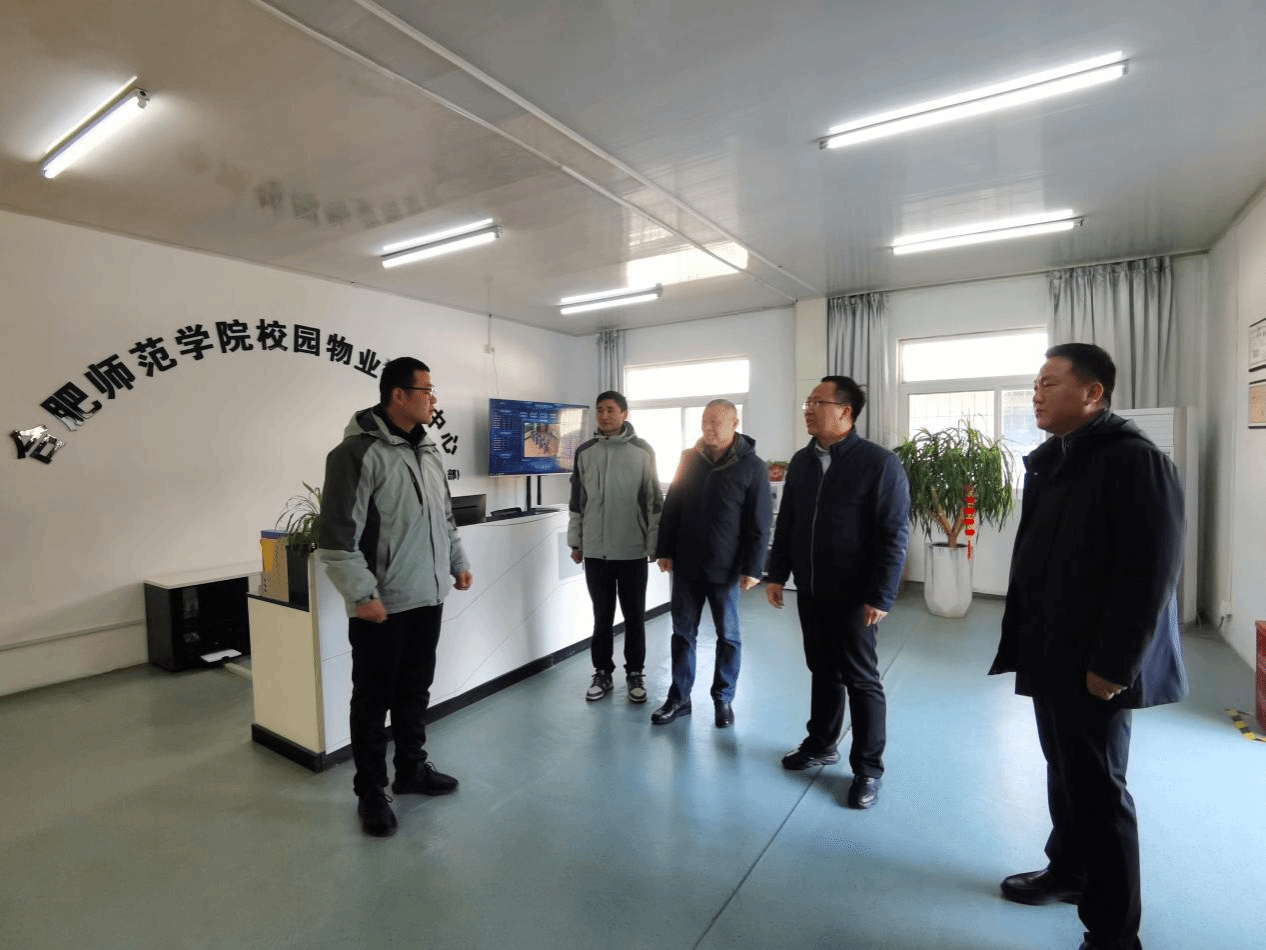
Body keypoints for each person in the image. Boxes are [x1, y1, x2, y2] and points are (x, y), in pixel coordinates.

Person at [990, 343, 1186, 950]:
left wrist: (1114, 665)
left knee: (1100, 792)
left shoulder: (1134, 460)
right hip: (1052, 652)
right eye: (1035, 385)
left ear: (1093, 392)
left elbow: (1150, 575)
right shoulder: (1060, 457)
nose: (1036, 395)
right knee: (1064, 772)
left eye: (1049, 384)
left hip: (1095, 664)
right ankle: (1069, 872)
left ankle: (1113, 936)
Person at [318, 357, 473, 838]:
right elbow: (336, 539)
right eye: (426, 390)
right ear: (398, 395)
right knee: (372, 701)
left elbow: (444, 518)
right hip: (381, 606)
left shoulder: (428, 451)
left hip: (428, 596)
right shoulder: (355, 454)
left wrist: (458, 561)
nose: (433, 399)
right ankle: (371, 792)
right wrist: (362, 594)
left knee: (414, 692)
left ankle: (411, 769)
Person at [765, 375, 910, 809]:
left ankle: (867, 769)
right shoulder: (802, 461)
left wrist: (881, 595)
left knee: (862, 679)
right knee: (822, 669)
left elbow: (893, 534)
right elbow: (789, 522)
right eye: (807, 402)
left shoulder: (879, 464)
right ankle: (821, 743)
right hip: (811, 588)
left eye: (818, 402)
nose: (808, 410)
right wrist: (777, 573)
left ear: (845, 412)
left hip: (854, 595)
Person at [650, 400, 772, 728]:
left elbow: (760, 522)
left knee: (728, 637)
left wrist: (753, 567)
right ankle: (679, 698)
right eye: (705, 420)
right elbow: (672, 506)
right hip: (687, 565)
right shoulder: (689, 459)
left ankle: (723, 699)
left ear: (734, 423)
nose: (708, 427)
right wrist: (664, 549)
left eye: (716, 421)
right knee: (682, 634)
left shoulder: (753, 466)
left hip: (726, 568)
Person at [568, 390, 662, 704]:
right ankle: (602, 673)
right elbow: (577, 502)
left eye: (610, 410)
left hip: (632, 549)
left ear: (624, 413)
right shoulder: (585, 452)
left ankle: (635, 673)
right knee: (602, 617)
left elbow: (653, 500)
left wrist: (654, 543)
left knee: (634, 617)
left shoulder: (642, 450)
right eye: (600, 410)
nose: (605, 416)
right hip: (596, 552)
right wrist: (576, 541)